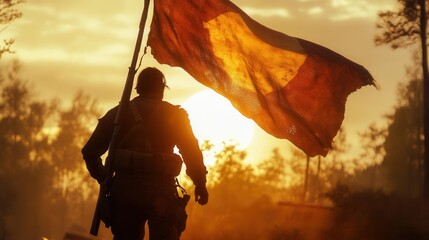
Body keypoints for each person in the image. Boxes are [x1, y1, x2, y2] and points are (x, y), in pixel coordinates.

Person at [81, 67, 208, 240]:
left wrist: (105, 179)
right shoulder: (175, 115)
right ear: (161, 89)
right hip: (161, 192)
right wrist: (200, 182)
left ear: (138, 88)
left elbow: (90, 152)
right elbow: (191, 151)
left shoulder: (118, 114)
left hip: (124, 191)